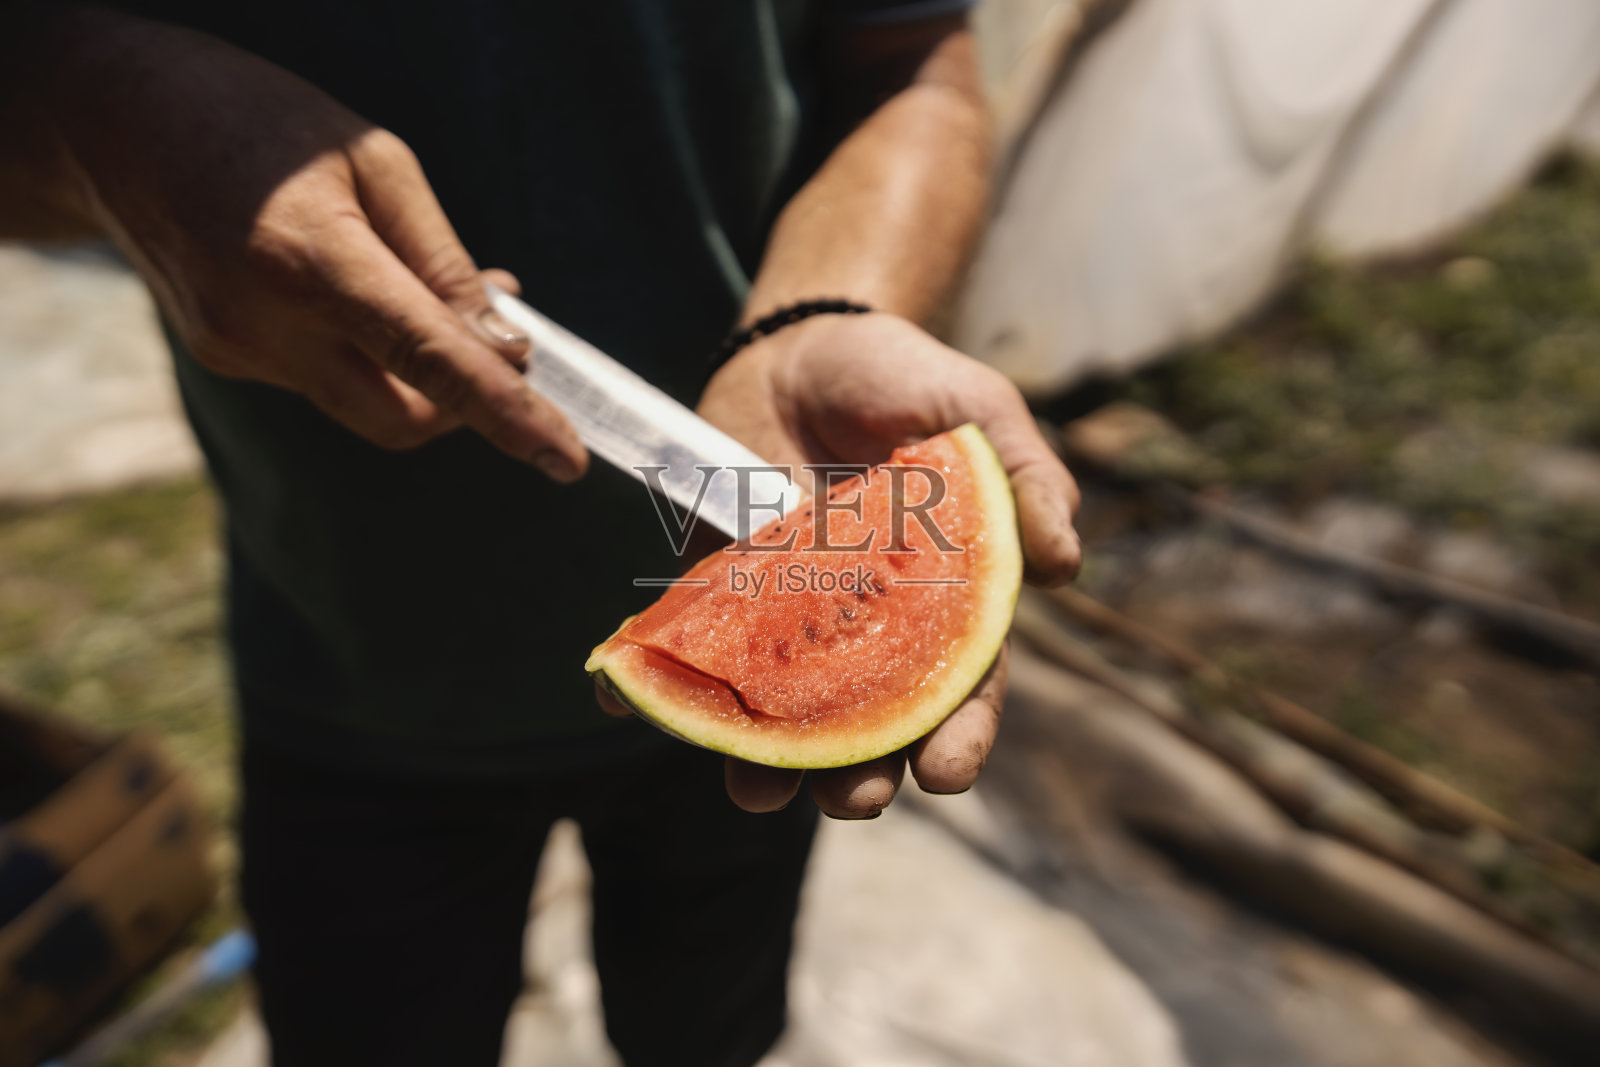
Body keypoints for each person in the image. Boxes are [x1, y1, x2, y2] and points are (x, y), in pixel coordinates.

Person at [0, 2, 1082, 1064]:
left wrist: (827, 309)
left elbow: (909, 61)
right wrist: (91, 111)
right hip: (344, 670)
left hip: (727, 725)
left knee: (707, 1038)